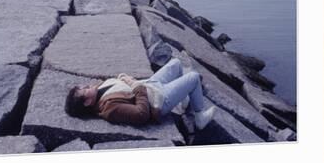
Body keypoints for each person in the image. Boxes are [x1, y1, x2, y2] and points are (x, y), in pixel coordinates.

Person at [64, 57, 216, 129]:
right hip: (157, 100)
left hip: (150, 85)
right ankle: (199, 116)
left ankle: (183, 98)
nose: (86, 85)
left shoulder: (98, 91)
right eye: (84, 89)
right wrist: (136, 87)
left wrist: (128, 81)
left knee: (176, 63)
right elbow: (141, 114)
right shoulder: (109, 108)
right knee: (194, 77)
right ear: (88, 102)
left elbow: (119, 80)